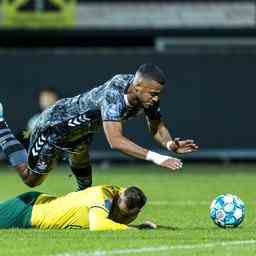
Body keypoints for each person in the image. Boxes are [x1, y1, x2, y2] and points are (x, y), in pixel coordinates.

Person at [0, 63, 198, 191]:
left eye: (159, 94)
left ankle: (80, 208)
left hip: (82, 132)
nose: (156, 99)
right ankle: (1, 126)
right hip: (55, 127)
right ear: (137, 87)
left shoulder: (147, 96)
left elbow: (156, 127)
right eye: (153, 94)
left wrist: (171, 144)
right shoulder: (115, 91)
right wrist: (158, 158)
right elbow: (116, 141)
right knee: (31, 180)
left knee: (85, 185)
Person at [0, 185, 155, 231]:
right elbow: (98, 225)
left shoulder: (125, 195)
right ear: (119, 196)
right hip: (26, 212)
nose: (124, 218)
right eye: (122, 213)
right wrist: (135, 229)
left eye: (129, 216)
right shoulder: (101, 196)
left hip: (38, 205)